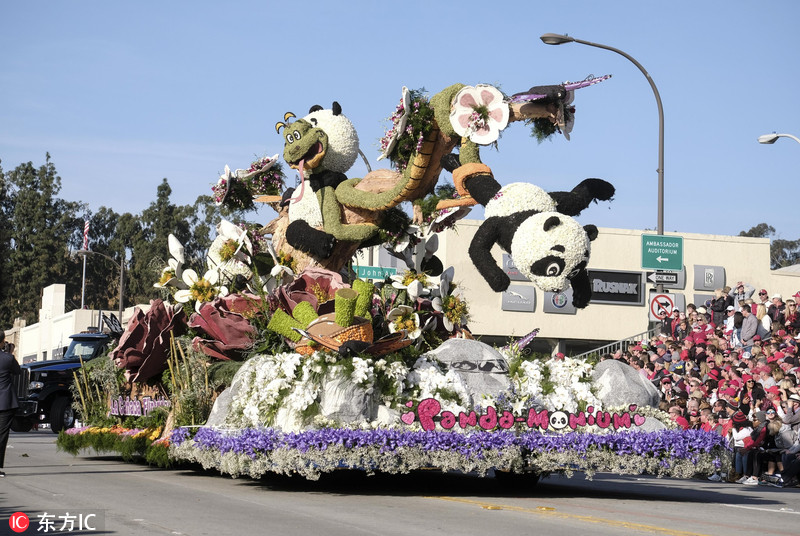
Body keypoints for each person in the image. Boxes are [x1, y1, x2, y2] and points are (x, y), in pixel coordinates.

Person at [0, 329, 21, 478]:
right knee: (1, 436)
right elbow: (17, 371)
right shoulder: (8, 358)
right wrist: (8, 352)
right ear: (2, 341)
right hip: (5, 402)